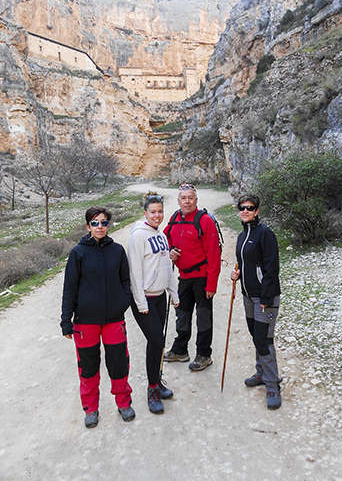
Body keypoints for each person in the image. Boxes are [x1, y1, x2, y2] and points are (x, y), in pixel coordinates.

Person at [60, 206, 135, 428]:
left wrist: (124, 302)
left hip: (113, 320)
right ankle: (90, 409)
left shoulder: (117, 251)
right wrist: (66, 321)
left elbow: (125, 281)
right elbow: (70, 289)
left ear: (108, 225)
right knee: (88, 367)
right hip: (85, 323)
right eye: (95, 223)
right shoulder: (78, 253)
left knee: (119, 364)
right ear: (87, 226)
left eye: (103, 222)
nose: (100, 226)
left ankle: (123, 403)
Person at [127, 194, 179, 414]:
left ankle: (157, 382)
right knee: (156, 342)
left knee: (160, 341)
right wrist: (141, 302)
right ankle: (152, 390)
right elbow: (134, 272)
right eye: (153, 212)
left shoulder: (162, 235)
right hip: (145, 298)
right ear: (145, 213)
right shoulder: (138, 236)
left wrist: (174, 295)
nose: (157, 215)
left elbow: (167, 268)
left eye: (160, 211)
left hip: (160, 297)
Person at [231, 194, 282, 410]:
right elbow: (248, 262)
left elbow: (271, 269)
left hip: (264, 298)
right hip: (248, 295)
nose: (245, 211)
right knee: (255, 335)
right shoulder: (244, 235)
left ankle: (273, 385)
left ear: (257, 211)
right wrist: (239, 274)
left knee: (264, 338)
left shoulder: (265, 234)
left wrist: (266, 298)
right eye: (242, 208)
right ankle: (261, 374)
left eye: (249, 208)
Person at [163, 183, 221, 371]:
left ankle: (204, 354)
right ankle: (180, 349)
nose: (187, 201)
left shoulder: (204, 221)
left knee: (203, 317)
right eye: (183, 198)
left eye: (190, 198)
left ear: (196, 200)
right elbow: (166, 239)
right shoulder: (174, 218)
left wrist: (211, 283)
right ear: (178, 200)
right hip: (184, 277)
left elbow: (214, 254)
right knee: (182, 313)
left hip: (202, 278)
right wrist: (170, 250)